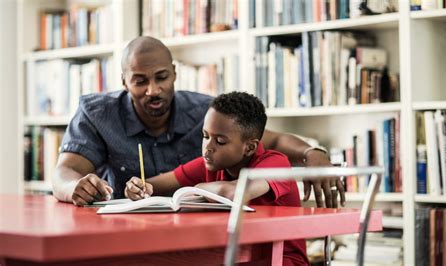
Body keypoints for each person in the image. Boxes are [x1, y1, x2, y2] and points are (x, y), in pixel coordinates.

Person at [52, 36, 345, 208]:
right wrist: (75, 186)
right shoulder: (97, 112)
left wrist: (312, 153)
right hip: (121, 233)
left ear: (175, 74)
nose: (153, 90)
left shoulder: (208, 112)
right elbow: (64, 172)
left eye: (161, 78)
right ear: (124, 82)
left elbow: (273, 140)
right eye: (140, 81)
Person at [125, 91, 309, 265]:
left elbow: (233, 191)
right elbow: (153, 184)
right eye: (205, 136)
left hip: (281, 260)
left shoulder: (276, 163)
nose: (208, 147)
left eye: (220, 141)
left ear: (250, 148)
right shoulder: (211, 162)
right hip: (236, 257)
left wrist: (197, 188)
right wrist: (137, 187)